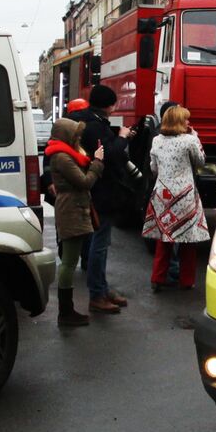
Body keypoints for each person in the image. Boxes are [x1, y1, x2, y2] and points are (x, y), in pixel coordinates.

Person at [68, 85, 138, 314]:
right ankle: (97, 294)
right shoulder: (96, 126)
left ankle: (102, 288)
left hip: (96, 190)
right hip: (101, 191)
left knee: (100, 243)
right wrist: (122, 138)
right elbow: (110, 154)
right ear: (110, 105)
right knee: (99, 245)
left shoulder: (88, 121)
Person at [142, 105, 210, 292]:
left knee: (164, 239)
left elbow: (154, 168)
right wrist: (196, 137)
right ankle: (186, 281)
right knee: (188, 240)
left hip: (162, 194)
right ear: (180, 122)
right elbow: (200, 161)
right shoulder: (189, 140)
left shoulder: (157, 140)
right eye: (186, 119)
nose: (188, 122)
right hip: (185, 195)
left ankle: (158, 278)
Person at [45, 118, 104, 326]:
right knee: (69, 261)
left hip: (73, 208)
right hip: (71, 209)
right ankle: (66, 312)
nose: (78, 138)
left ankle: (67, 311)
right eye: (75, 135)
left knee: (70, 260)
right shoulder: (63, 158)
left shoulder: (63, 155)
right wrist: (97, 163)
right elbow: (85, 181)